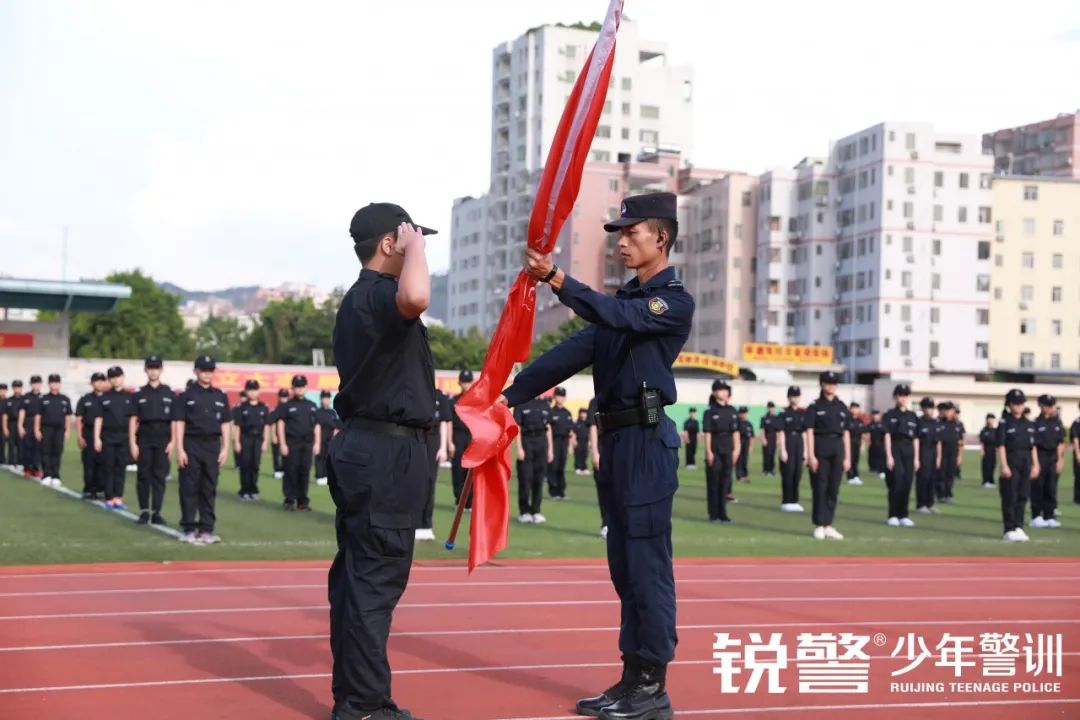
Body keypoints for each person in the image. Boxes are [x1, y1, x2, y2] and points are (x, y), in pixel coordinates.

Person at [499, 191, 691, 720]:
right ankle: (633, 680)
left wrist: (556, 278)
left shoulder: (670, 301)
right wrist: (505, 395)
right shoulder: (621, 308)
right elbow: (567, 355)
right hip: (617, 441)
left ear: (662, 238)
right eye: (619, 234)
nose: (623, 242)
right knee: (624, 567)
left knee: (647, 566)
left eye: (632, 233)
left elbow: (609, 313)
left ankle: (653, 686)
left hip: (647, 444)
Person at [328, 204, 436, 720]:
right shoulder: (379, 296)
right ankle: (366, 705)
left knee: (355, 579)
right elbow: (416, 295)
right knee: (374, 580)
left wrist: (410, 245)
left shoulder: (360, 300)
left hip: (366, 446)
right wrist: (414, 248)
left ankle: (354, 697)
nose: (422, 247)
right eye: (413, 238)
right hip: (385, 453)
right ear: (390, 243)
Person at [175, 355, 230, 544]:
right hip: (191, 444)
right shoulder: (186, 396)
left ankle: (207, 529)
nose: (207, 374)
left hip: (212, 445)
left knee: (209, 487)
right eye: (203, 370)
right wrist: (180, 449)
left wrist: (226, 448)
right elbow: (179, 423)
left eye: (210, 370)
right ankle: (189, 528)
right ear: (196, 371)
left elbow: (225, 423)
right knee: (189, 487)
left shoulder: (220, 396)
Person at [804, 371, 850, 540]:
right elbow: (809, 431)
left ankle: (829, 524)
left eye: (833, 383)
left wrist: (848, 457)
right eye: (827, 383)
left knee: (833, 488)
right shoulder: (815, 406)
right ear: (822, 385)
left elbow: (846, 433)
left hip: (837, 447)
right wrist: (810, 456)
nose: (830, 386)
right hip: (820, 446)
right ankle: (819, 524)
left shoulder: (841, 407)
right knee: (820, 487)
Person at [129, 356, 175, 525]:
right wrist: (133, 442)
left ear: (161, 370)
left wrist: (173, 442)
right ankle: (144, 511)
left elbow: (175, 421)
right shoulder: (139, 394)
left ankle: (156, 511)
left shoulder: (169, 393)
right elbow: (133, 419)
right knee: (143, 475)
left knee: (159, 476)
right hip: (145, 438)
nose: (153, 371)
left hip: (163, 438)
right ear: (145, 370)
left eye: (156, 368)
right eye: (150, 368)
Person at [997, 389, 1037, 542]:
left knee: (1023, 495)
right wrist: (1004, 465)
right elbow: (1001, 446)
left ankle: (1019, 526)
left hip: (1026, 461)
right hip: (1011, 461)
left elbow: (1032, 446)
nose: (1019, 406)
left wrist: (1036, 465)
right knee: (1010, 496)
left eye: (1021, 403)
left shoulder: (1028, 424)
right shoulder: (1004, 423)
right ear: (1009, 405)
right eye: (1016, 403)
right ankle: (1009, 528)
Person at [277, 375, 321, 512]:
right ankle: (289, 500)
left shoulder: (312, 406)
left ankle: (303, 501)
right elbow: (280, 423)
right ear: (293, 388)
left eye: (302, 386)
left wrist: (317, 443)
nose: (300, 389)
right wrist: (282, 444)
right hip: (291, 443)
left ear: (306, 388)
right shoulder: (287, 406)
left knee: (304, 472)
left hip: (307, 444)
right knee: (291, 471)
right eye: (297, 386)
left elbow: (317, 426)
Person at [93, 367, 133, 509]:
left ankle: (118, 497)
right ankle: (109, 497)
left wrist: (133, 439)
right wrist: (97, 438)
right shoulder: (103, 398)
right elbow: (98, 419)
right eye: (112, 377)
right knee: (108, 467)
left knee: (120, 467)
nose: (116, 379)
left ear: (123, 377)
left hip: (124, 437)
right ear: (109, 380)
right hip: (108, 437)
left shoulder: (129, 397)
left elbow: (134, 420)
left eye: (118, 377)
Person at [883, 384, 919, 527]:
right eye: (900, 395)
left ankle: (904, 515)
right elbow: (887, 436)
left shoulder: (913, 416)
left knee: (907, 483)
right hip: (895, 448)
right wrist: (889, 456)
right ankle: (893, 514)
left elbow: (916, 439)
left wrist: (916, 458)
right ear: (895, 397)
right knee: (896, 482)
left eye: (905, 395)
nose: (903, 398)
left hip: (909, 451)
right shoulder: (890, 415)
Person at [703, 380, 739, 524]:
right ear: (714, 392)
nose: (724, 392)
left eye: (726, 390)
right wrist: (708, 451)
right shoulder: (710, 412)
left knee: (725, 483)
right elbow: (707, 433)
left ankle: (723, 514)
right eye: (721, 390)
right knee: (713, 482)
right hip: (715, 449)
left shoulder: (732, 410)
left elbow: (735, 431)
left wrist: (737, 449)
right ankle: (713, 514)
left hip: (728, 449)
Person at [417, 386, 450, 541]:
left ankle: (426, 524)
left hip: (433, 440)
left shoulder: (440, 397)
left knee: (430, 481)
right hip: (416, 439)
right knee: (415, 481)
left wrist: (443, 448)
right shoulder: (416, 392)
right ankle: (413, 522)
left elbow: (443, 422)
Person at [514, 394, 552, 523]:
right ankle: (524, 511)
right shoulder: (521, 404)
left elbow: (548, 428)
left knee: (539, 478)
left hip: (541, 443)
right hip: (526, 442)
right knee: (525, 478)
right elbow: (517, 427)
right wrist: (519, 448)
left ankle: (536, 510)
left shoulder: (545, 405)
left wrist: (550, 449)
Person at [1031, 394, 1065, 529]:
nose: (1052, 408)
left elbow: (1060, 442)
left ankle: (1049, 516)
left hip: (1053, 458)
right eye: (1049, 406)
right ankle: (1036, 516)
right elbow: (1033, 445)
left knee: (1051, 487)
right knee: (1038, 487)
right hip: (1040, 456)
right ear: (1041, 407)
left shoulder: (1057, 423)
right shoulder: (1036, 424)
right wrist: (1035, 463)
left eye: (1052, 405)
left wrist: (1060, 460)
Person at [232, 379, 270, 501]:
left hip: (258, 439)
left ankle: (253, 490)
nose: (253, 393)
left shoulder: (263, 407)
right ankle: (244, 490)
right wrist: (236, 442)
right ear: (246, 391)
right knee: (245, 465)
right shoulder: (241, 407)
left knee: (255, 465)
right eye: (250, 390)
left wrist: (265, 441)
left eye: (255, 390)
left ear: (259, 391)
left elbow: (266, 426)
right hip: (245, 438)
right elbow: (237, 426)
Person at [36, 374, 72, 487]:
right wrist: (37, 429)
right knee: (45, 451)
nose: (54, 385)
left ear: (60, 384)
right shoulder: (43, 399)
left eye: (56, 382)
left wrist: (68, 431)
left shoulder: (65, 399)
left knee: (57, 452)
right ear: (49, 384)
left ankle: (55, 475)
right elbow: (38, 415)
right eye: (52, 382)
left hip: (59, 430)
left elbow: (68, 417)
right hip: (46, 429)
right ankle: (46, 474)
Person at [75, 373, 107, 499]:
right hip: (88, 433)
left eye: (101, 381)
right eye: (96, 381)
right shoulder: (85, 399)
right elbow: (79, 418)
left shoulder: (108, 398)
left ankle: (101, 488)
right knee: (89, 463)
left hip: (105, 433)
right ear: (92, 383)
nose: (99, 383)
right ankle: (89, 488)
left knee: (103, 463)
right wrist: (79, 436)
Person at [777, 386, 806, 512]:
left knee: (797, 472)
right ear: (788, 398)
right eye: (792, 396)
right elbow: (781, 432)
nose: (795, 399)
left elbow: (805, 433)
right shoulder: (783, 414)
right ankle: (787, 500)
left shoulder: (803, 414)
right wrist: (782, 449)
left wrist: (806, 451)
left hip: (799, 442)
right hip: (788, 441)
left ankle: (795, 500)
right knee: (788, 471)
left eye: (797, 396)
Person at [449, 370, 474, 508]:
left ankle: (469, 502)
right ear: (459, 383)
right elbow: (450, 422)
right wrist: (450, 442)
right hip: (458, 436)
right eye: (464, 382)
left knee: (470, 469)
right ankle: (459, 499)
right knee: (457, 469)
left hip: (472, 436)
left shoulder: (476, 401)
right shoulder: (454, 401)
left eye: (468, 382)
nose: (466, 385)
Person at [915, 397, 942, 514]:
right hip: (922, 452)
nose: (929, 410)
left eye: (931, 408)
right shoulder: (919, 422)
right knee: (923, 478)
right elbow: (915, 440)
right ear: (922, 409)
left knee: (932, 479)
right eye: (927, 408)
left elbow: (938, 442)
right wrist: (916, 458)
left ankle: (930, 504)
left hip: (933, 453)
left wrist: (939, 458)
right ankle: (921, 504)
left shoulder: (936, 423)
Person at [547, 386, 574, 500]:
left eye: (562, 396)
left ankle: (561, 491)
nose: (560, 398)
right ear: (554, 397)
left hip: (564, 442)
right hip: (554, 442)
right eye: (558, 395)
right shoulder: (551, 412)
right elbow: (548, 429)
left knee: (561, 467)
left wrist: (571, 446)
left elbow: (571, 431)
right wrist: (549, 448)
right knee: (553, 466)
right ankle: (553, 492)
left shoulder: (567, 413)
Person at [17, 375, 44, 479]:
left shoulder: (43, 398)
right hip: (27, 423)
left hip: (39, 424)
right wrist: (20, 426)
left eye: (38, 383)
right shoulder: (26, 397)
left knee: (38, 448)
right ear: (31, 384)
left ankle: (36, 469)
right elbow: (22, 412)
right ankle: (27, 469)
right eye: (34, 383)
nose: (36, 385)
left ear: (41, 384)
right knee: (27, 447)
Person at [315, 390, 342, 487]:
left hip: (330, 440)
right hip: (320, 439)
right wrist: (316, 442)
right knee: (319, 458)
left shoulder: (332, 412)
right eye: (324, 398)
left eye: (327, 398)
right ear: (321, 399)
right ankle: (319, 476)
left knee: (328, 459)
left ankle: (326, 476)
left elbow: (336, 426)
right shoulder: (317, 412)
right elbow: (316, 427)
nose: (326, 400)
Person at [936, 402, 961, 504]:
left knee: (950, 474)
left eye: (950, 410)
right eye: (946, 410)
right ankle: (941, 494)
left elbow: (960, 442)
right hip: (942, 451)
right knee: (941, 474)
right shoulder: (938, 423)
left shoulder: (957, 424)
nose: (948, 412)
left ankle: (948, 493)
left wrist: (960, 456)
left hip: (953, 452)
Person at [2, 379, 23, 471]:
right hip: (11, 424)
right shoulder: (9, 400)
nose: (17, 389)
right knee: (11, 444)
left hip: (21, 424)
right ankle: (11, 462)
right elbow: (5, 415)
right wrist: (5, 427)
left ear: (21, 388)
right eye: (15, 387)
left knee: (21, 444)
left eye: (19, 387)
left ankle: (19, 462)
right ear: (13, 388)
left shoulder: (24, 399)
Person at [271, 388, 289, 480]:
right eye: (282, 397)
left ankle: (285, 469)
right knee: (276, 453)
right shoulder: (276, 409)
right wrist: (274, 435)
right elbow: (273, 423)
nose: (284, 399)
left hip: (288, 436)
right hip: (278, 435)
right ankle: (277, 470)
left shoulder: (290, 408)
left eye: (285, 397)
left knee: (287, 454)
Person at [846, 402, 865, 486]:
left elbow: (863, 434)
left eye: (857, 408)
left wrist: (862, 445)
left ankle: (856, 476)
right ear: (850, 409)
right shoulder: (847, 420)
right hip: (848, 442)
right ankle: (850, 477)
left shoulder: (860, 421)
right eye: (853, 408)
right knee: (849, 460)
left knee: (856, 460)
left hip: (857, 442)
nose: (855, 410)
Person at [979, 413, 999, 490]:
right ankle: (985, 481)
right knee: (986, 466)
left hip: (993, 449)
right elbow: (982, 442)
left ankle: (991, 481)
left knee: (992, 465)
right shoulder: (984, 430)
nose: (990, 420)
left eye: (992, 419)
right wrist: (982, 450)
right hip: (986, 449)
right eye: (989, 419)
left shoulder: (995, 430)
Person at [758, 402, 778, 477]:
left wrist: (778, 439)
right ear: (768, 408)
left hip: (774, 438)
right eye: (770, 407)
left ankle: (771, 470)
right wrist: (763, 438)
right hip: (767, 437)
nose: (771, 409)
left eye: (772, 407)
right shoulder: (764, 417)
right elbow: (762, 429)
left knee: (772, 454)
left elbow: (777, 430)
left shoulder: (776, 417)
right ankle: (765, 470)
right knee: (766, 454)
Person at [735, 406, 754, 483]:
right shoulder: (737, 423)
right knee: (739, 460)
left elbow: (751, 436)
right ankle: (739, 477)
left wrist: (751, 446)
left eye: (745, 413)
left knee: (745, 460)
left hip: (746, 443)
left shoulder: (749, 424)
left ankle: (745, 476)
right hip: (739, 442)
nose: (743, 415)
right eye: (742, 413)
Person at [867, 410, 886, 479]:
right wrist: (868, 441)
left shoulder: (883, 424)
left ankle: (881, 470)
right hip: (873, 443)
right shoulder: (870, 424)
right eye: (874, 415)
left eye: (877, 415)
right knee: (873, 456)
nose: (875, 416)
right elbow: (867, 433)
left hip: (881, 443)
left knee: (882, 457)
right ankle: (874, 468)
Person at [572, 406, 591, 475]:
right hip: (578, 441)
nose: (583, 414)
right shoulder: (577, 422)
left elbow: (590, 433)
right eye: (582, 413)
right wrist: (574, 441)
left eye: (584, 413)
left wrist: (590, 441)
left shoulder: (588, 423)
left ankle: (584, 468)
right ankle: (577, 468)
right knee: (578, 455)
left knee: (585, 455)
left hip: (586, 441)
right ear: (579, 414)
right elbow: (573, 432)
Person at [1071, 404, 1080, 506]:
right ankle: (1078, 498)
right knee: (1078, 476)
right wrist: (1077, 452)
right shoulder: (1077, 422)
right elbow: (1075, 438)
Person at [0, 382, 8, 468]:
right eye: (1, 390)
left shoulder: (7, 401)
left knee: (3, 443)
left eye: (4, 390)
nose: (2, 392)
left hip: (5, 426)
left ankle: (2, 460)